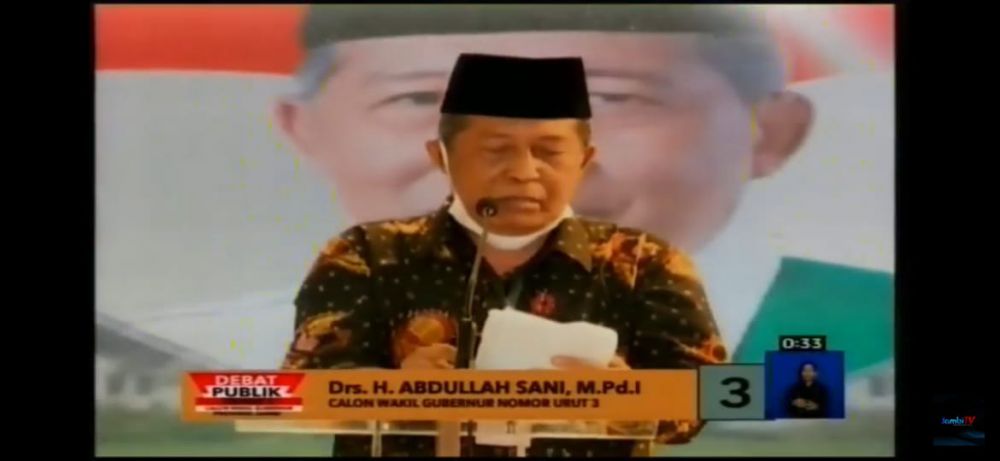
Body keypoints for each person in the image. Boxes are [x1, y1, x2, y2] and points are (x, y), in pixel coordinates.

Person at [273, 4, 893, 380]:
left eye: (611, 100)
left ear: (770, 132)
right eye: (419, 100)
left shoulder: (875, 331)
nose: (519, 171)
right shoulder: (247, 342)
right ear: (305, 129)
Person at [281, 53, 726, 457]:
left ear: (584, 160)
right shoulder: (367, 255)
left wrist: (628, 397)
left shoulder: (644, 261)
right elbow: (299, 390)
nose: (524, 172)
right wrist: (397, 390)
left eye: (549, 153)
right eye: (495, 152)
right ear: (441, 157)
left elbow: (713, 394)